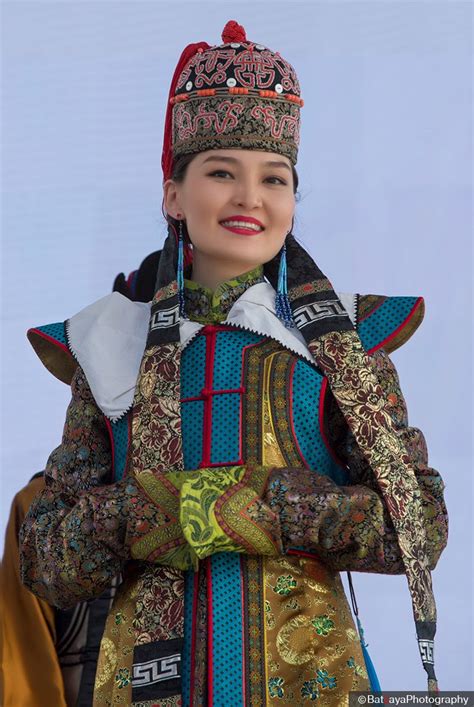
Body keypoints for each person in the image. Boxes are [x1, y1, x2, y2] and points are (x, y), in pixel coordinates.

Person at [19, 20, 448, 706]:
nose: (250, 197)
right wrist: (141, 513)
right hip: (146, 684)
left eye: (273, 178)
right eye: (222, 172)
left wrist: (266, 507)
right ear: (172, 194)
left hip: (315, 685)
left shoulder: (345, 345)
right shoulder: (111, 343)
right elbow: (43, 558)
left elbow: (420, 523)